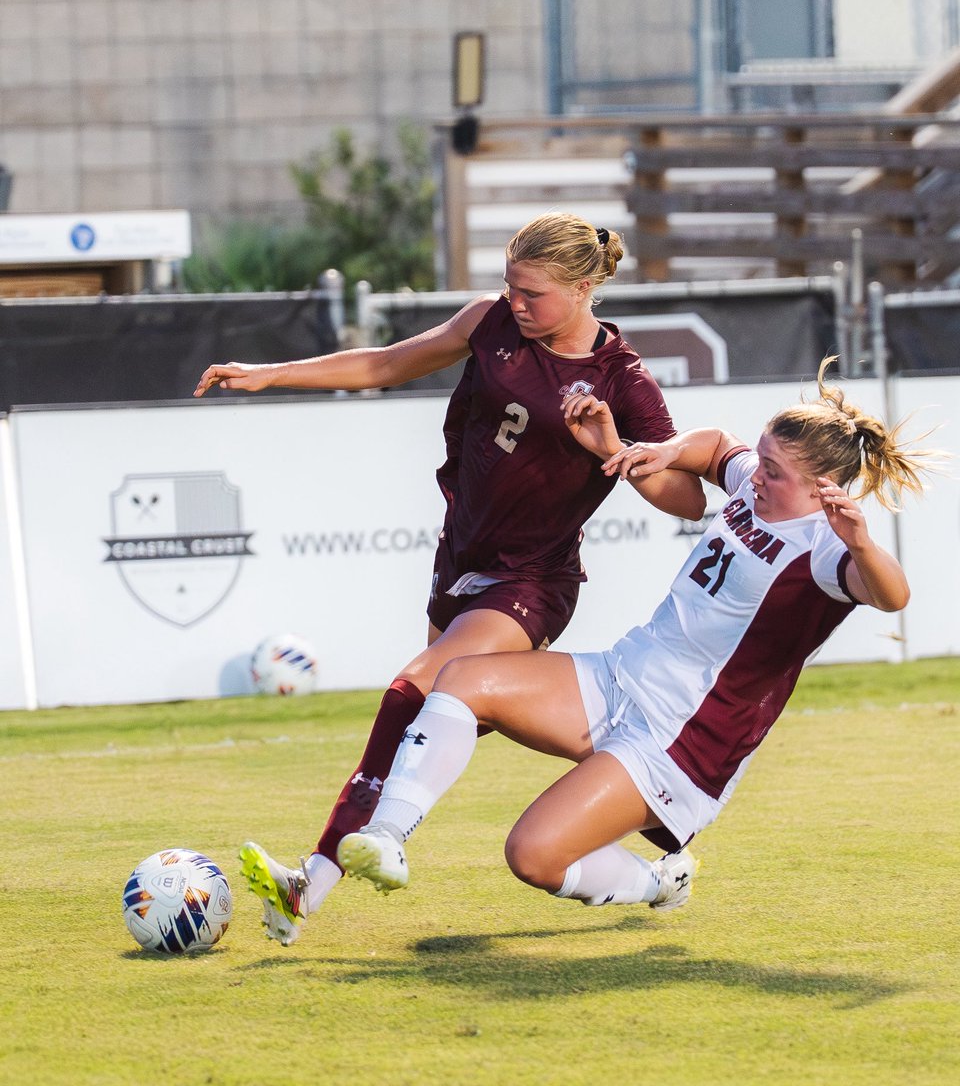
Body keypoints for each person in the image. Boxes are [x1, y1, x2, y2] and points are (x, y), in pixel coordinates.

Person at [193, 212, 706, 944]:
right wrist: (273, 373)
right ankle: (651, 816)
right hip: (460, 563)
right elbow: (384, 364)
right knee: (461, 713)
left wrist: (615, 449)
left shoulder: (621, 380)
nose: (515, 302)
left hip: (532, 580)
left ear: (585, 286)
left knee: (417, 685)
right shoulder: (491, 321)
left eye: (532, 293)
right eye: (509, 285)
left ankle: (320, 875)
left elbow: (686, 498)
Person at [334, 358, 934, 912]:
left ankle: (658, 882)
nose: (757, 478)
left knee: (533, 856)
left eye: (774, 473)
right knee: (461, 676)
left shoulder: (827, 550)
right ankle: (385, 837)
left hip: (678, 739)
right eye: (764, 462)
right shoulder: (757, 484)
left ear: (823, 487)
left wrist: (859, 539)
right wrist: (658, 449)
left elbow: (893, 595)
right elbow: (720, 447)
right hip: (623, 674)